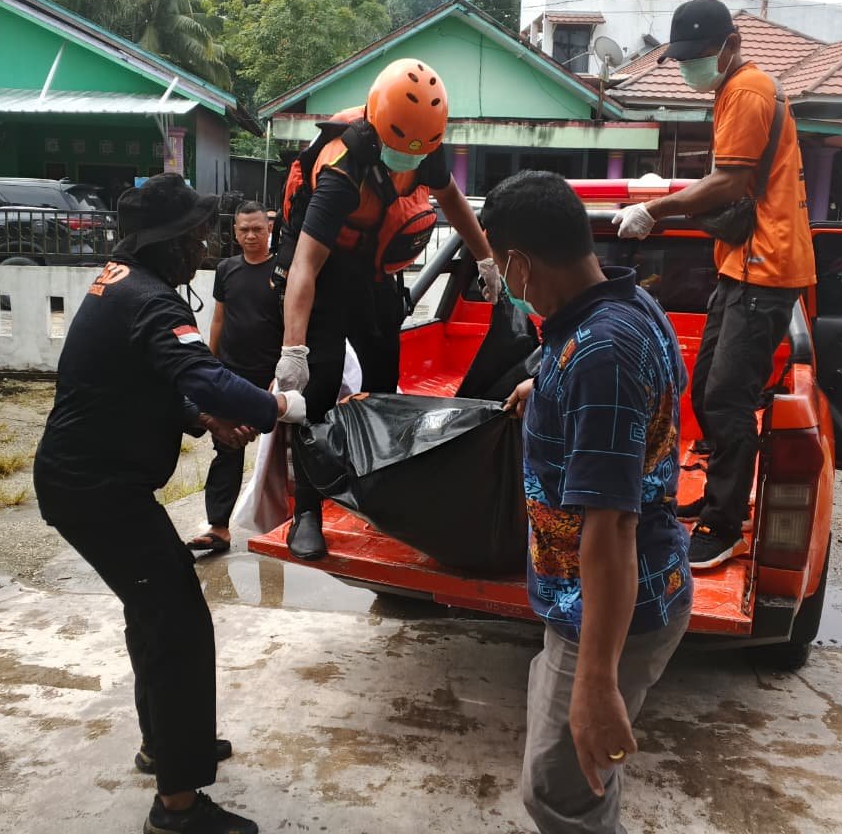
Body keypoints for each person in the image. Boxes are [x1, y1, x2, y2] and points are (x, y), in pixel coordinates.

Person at [33, 174, 307, 834]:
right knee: (178, 624)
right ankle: (177, 806)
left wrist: (204, 420)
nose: (204, 246)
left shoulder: (122, 283)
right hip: (96, 489)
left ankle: (165, 745)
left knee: (155, 612)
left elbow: (147, 380)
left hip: (89, 482)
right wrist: (278, 405)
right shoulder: (151, 300)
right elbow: (202, 374)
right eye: (195, 235)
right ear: (167, 241)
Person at [486, 171, 691, 834]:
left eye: (501, 267)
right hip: (594, 601)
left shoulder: (602, 355)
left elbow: (613, 527)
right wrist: (544, 387)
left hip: (607, 610)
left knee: (560, 794)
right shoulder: (625, 305)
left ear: (519, 263)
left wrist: (598, 682)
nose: (505, 282)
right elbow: (633, 400)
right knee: (576, 782)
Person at [611, 0, 815, 572]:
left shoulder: (747, 91)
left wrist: (655, 209)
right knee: (706, 391)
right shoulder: (732, 91)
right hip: (741, 265)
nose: (688, 67)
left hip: (765, 269)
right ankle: (721, 498)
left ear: (730, 45)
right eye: (682, 57)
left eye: (696, 55)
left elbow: (728, 183)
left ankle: (725, 525)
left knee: (727, 398)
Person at [273, 57, 501, 560]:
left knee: (382, 383)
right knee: (319, 386)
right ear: (377, 126)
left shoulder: (424, 146)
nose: (410, 159)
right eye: (401, 149)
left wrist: (485, 258)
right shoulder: (342, 170)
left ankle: (378, 488)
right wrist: (294, 347)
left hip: (374, 275)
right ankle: (308, 510)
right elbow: (305, 265)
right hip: (326, 275)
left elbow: (453, 199)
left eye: (420, 150)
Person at [187, 201, 282, 554]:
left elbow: (292, 321)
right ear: (235, 232)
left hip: (271, 377)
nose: (251, 235)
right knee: (226, 449)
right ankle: (218, 528)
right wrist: (210, 365)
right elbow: (219, 318)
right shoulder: (226, 269)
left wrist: (282, 374)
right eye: (244, 230)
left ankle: (287, 524)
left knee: (282, 454)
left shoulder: (283, 270)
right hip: (230, 374)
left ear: (268, 229)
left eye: (257, 228)